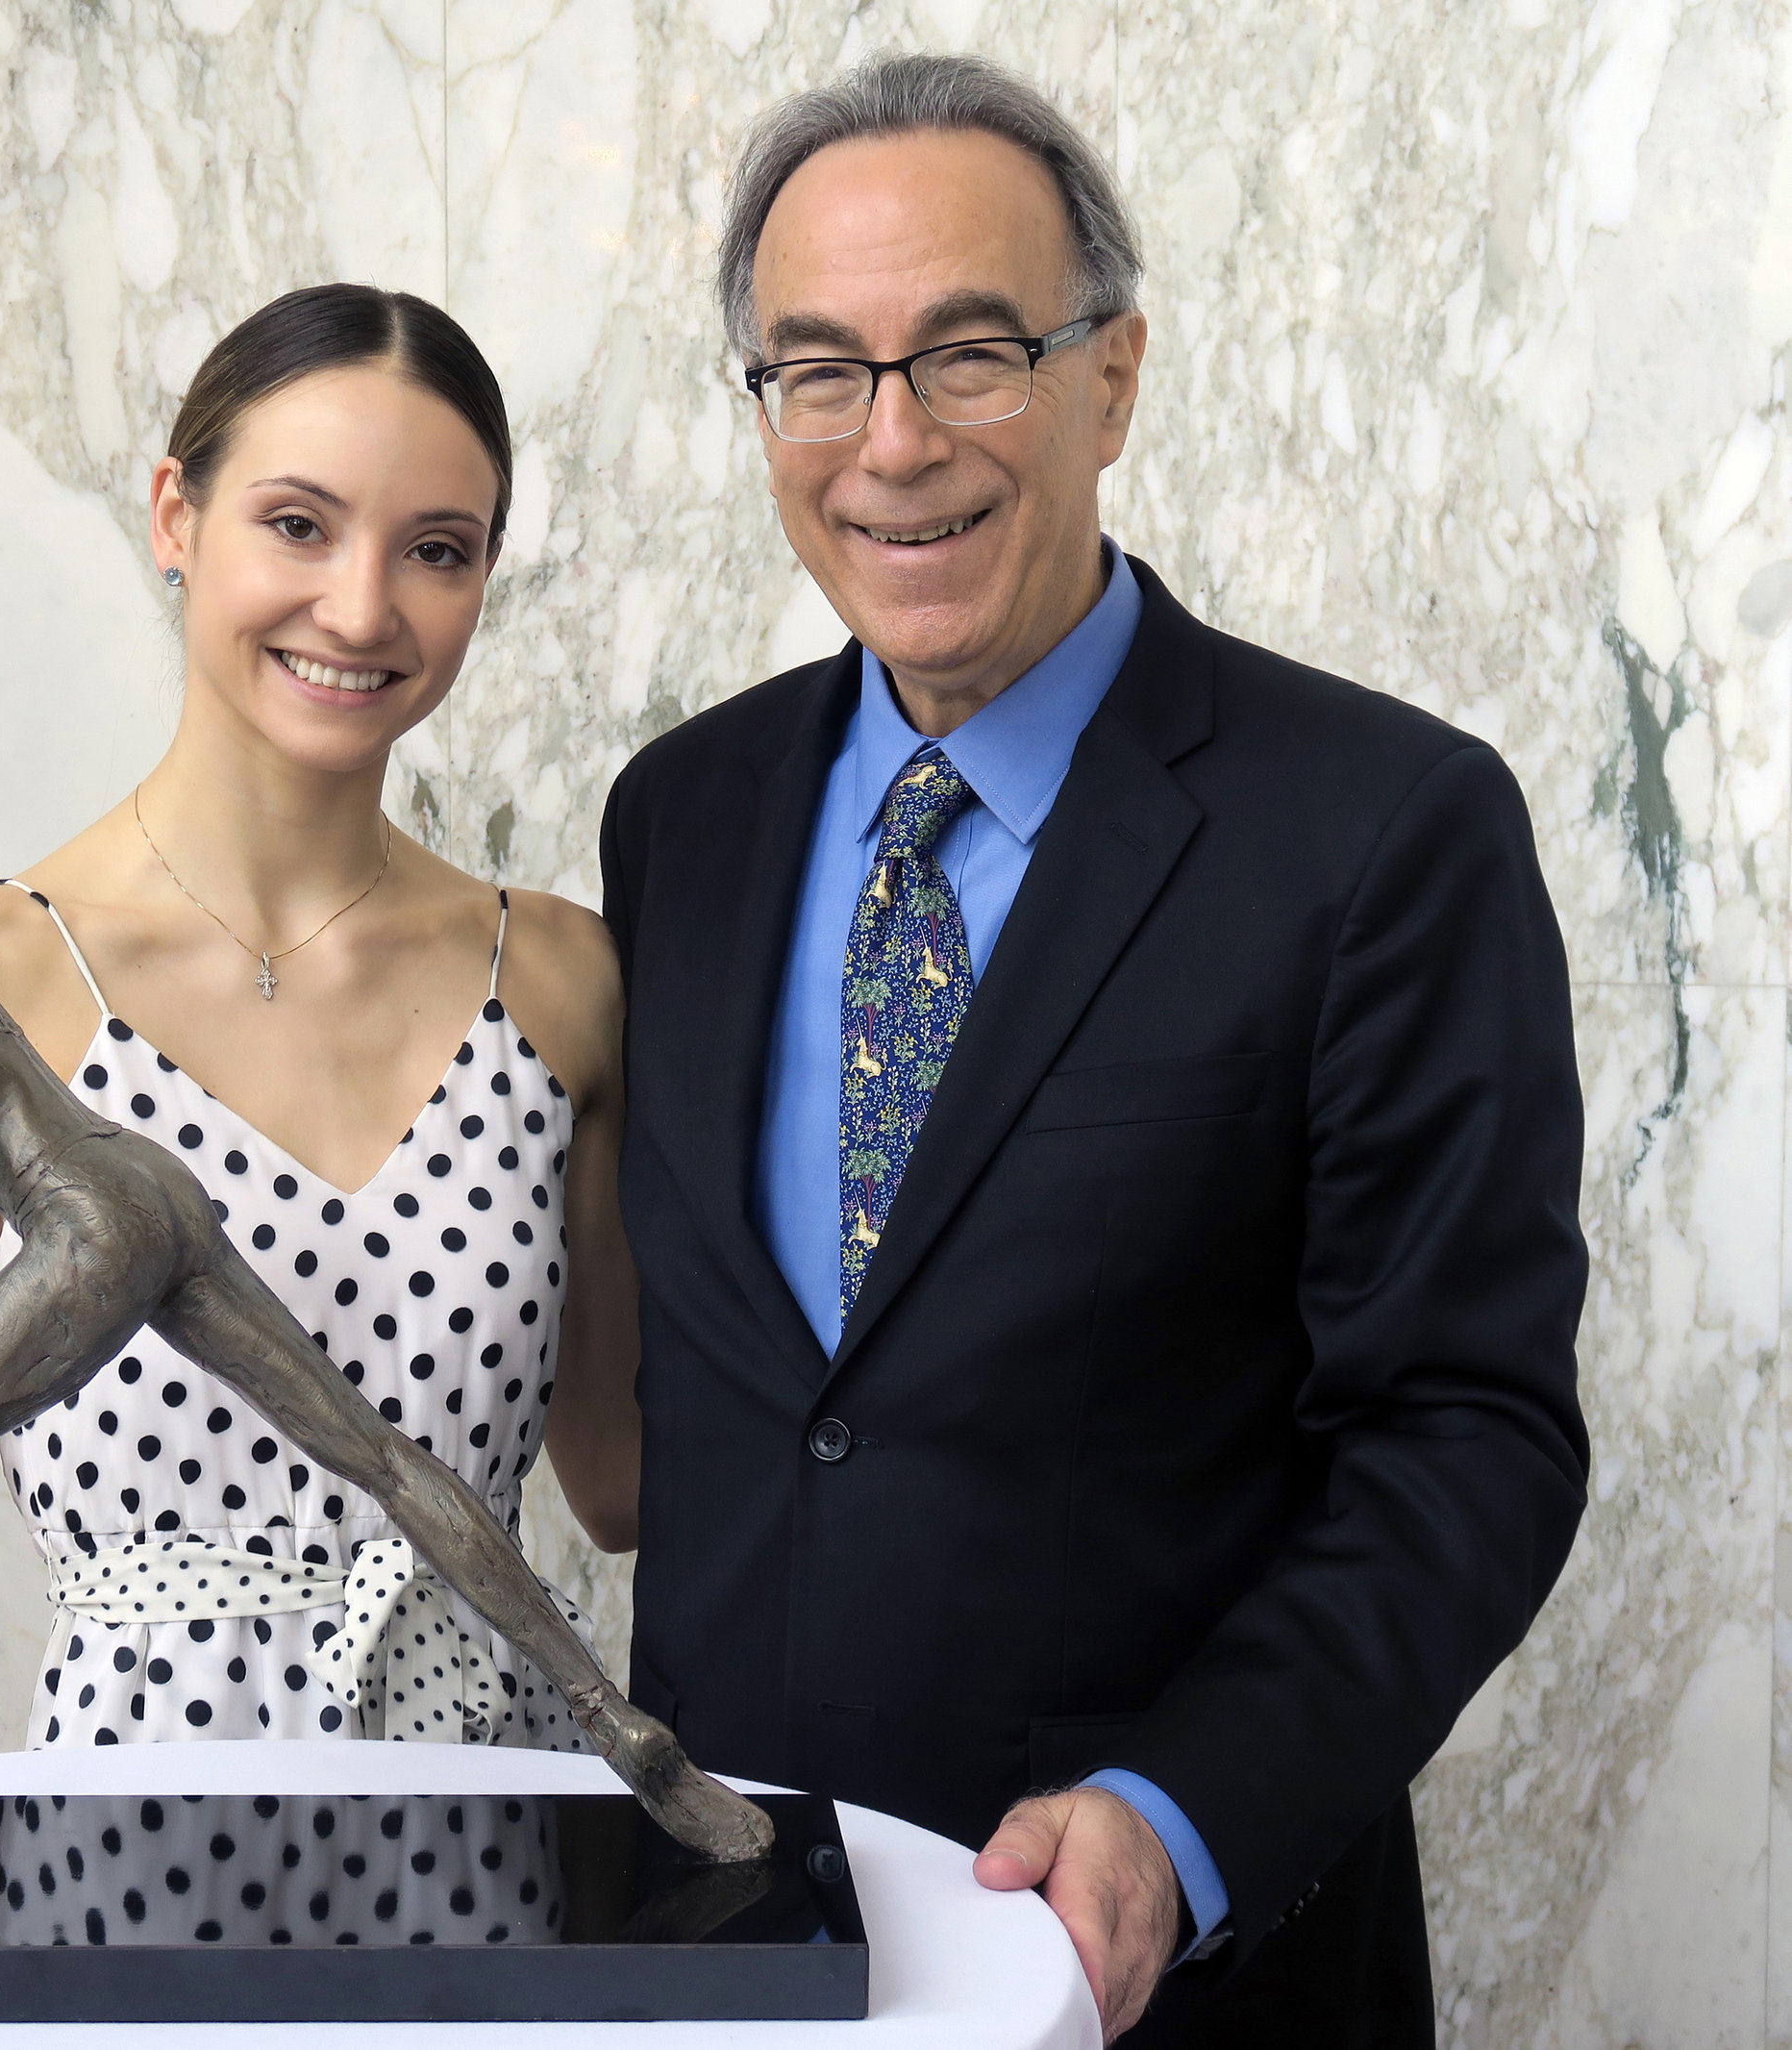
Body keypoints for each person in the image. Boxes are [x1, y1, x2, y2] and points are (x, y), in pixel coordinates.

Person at [595, 53, 1589, 2045]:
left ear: (1108, 379)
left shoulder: (1381, 829)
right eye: (816, 370)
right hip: (722, 1959)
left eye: (967, 352)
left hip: (1172, 1984)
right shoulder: (677, 818)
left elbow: (1464, 1437)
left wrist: (1176, 1816)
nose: (889, 443)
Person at [0, 286, 752, 1873]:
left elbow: (622, 1480)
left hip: (494, 1839)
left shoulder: (564, 980)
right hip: (130, 1854)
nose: (363, 607)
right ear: (176, 513)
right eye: (299, 524)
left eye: (437, 549)